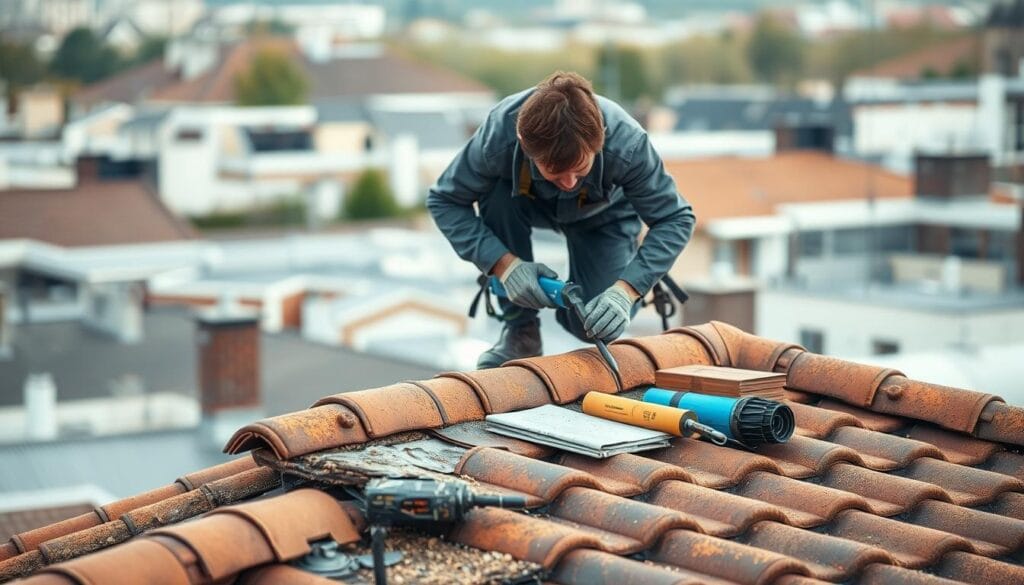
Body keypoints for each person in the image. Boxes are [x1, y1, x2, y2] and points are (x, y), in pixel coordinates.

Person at [427, 71, 695, 369]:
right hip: (525, 204)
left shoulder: (627, 142)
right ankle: (521, 331)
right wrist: (504, 265)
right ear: (524, 144)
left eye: (580, 170)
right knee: (495, 194)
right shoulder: (499, 133)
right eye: (555, 172)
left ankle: (601, 301)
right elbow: (444, 200)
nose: (569, 182)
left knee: (592, 324)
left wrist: (626, 290)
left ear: (599, 141)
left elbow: (676, 218)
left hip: (604, 217)